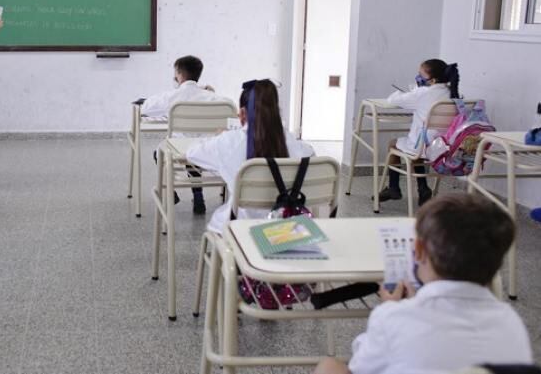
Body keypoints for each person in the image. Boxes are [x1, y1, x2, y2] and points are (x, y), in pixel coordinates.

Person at [314, 193, 532, 374]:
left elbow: (361, 367)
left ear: (418, 250)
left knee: (329, 366)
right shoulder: (512, 323)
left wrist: (390, 307)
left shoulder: (393, 317)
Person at [186, 79, 314, 235]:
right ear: (276, 111)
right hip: (286, 230)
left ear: (243, 113)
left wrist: (219, 137)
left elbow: (191, 154)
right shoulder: (294, 144)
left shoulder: (228, 141)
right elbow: (311, 153)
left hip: (239, 228)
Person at [141, 55, 232, 213]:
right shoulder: (215, 98)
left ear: (179, 74)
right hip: (207, 149)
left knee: (160, 153)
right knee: (194, 151)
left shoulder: (172, 96)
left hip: (178, 149)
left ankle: (171, 193)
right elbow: (231, 110)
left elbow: (146, 108)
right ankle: (198, 196)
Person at [379, 59, 460, 206]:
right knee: (417, 144)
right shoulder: (452, 93)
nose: (418, 78)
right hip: (443, 146)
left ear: (433, 79)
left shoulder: (422, 93)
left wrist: (409, 92)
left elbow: (392, 101)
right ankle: (423, 188)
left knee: (394, 145)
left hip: (424, 146)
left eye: (420, 75)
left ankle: (393, 187)